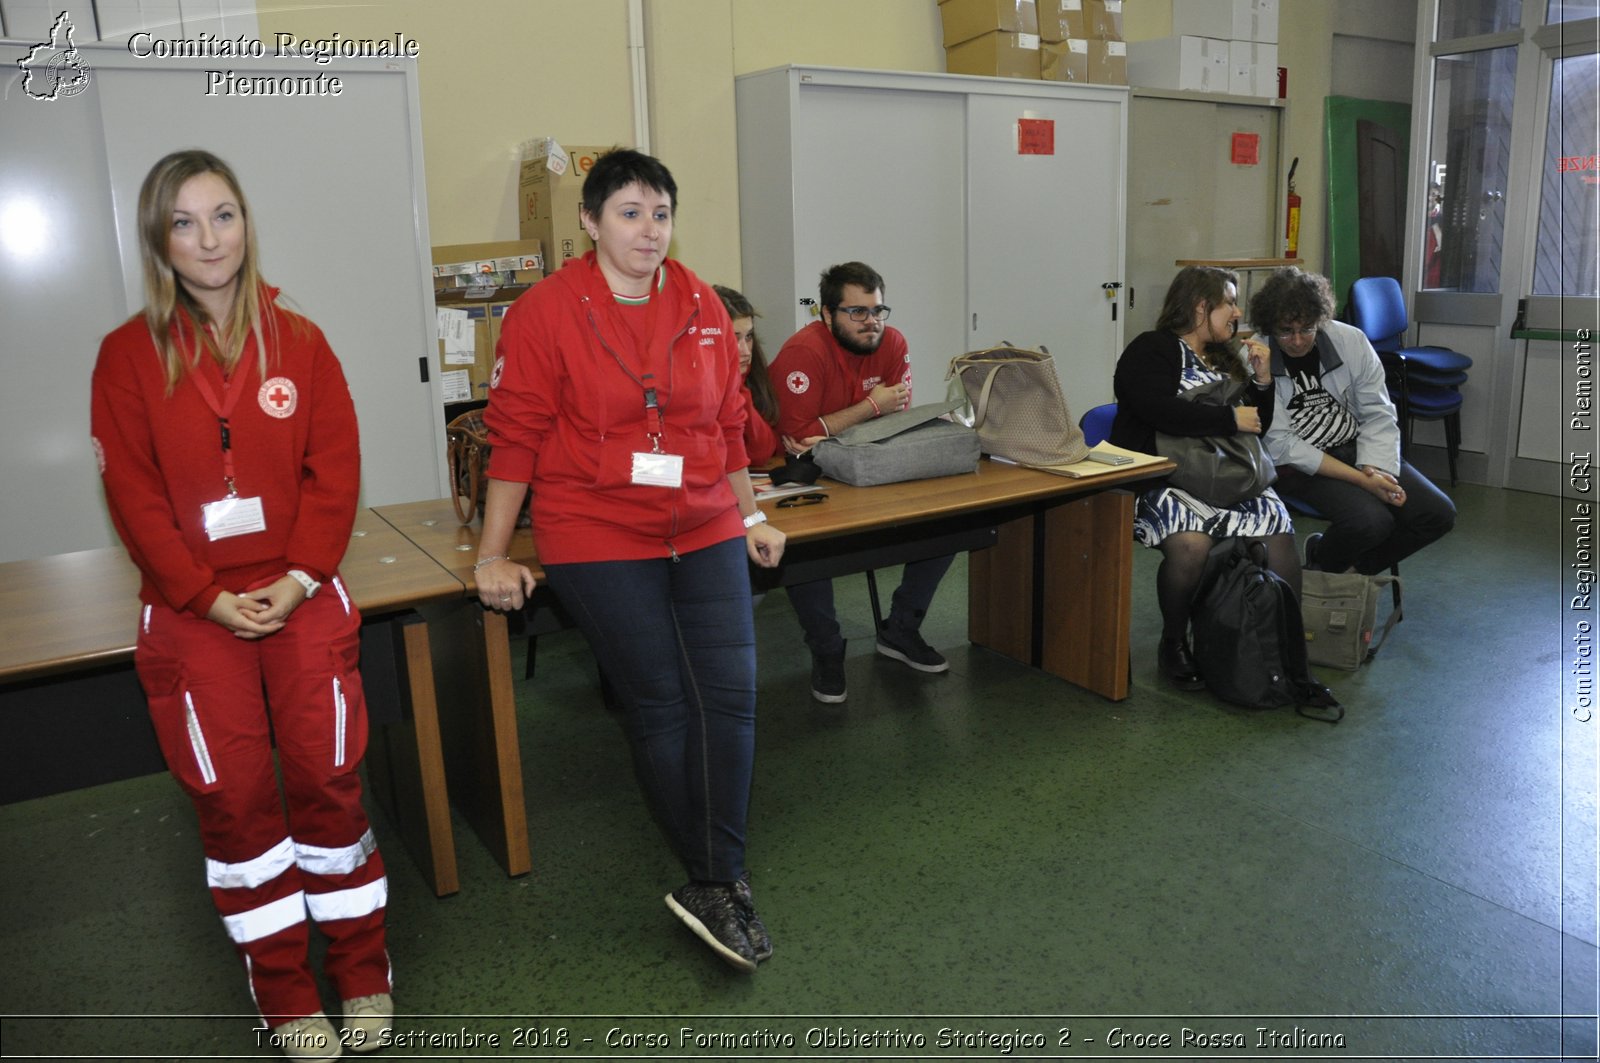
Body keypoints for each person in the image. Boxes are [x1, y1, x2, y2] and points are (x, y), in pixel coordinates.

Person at [90, 150, 392, 1061]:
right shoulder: (126, 355)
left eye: (224, 215)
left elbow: (333, 472)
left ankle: (363, 972)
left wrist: (299, 578)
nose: (209, 238)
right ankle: (286, 991)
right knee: (236, 805)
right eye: (184, 222)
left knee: (329, 783)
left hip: (301, 593)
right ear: (159, 238)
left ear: (246, 224)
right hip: (194, 613)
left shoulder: (297, 338)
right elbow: (136, 500)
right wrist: (207, 598)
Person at [474, 149, 786, 973]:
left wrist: (750, 512)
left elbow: (726, 426)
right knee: (662, 706)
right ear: (589, 221)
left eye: (661, 214)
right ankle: (718, 876)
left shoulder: (703, 307)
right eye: (629, 213)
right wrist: (492, 553)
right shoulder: (545, 312)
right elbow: (516, 439)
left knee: (731, 699)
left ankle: (716, 875)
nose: (649, 231)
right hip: (597, 530)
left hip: (705, 521)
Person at [1109, 266, 1314, 694]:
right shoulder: (1151, 349)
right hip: (1163, 478)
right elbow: (1156, 411)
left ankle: (1283, 645)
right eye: (1230, 302)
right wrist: (1227, 417)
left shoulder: (1224, 355)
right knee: (1191, 544)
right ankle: (1172, 643)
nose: (1238, 312)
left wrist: (1261, 380)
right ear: (1201, 306)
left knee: (1277, 528)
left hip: (1227, 476)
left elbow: (1255, 425)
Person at [768, 261, 956, 704]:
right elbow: (796, 438)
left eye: (877, 309)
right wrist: (871, 407)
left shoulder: (893, 342)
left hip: (873, 464)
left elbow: (897, 414)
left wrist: (835, 424)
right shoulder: (803, 353)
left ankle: (900, 630)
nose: (871, 321)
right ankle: (828, 649)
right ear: (827, 314)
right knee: (806, 546)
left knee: (947, 524)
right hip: (810, 472)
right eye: (856, 312)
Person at [1253, 267, 1456, 575]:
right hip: (1299, 465)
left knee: (1437, 513)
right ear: (1270, 326)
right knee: (1371, 522)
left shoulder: (1350, 341)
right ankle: (1328, 567)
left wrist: (1377, 470)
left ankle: (1342, 570)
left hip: (1355, 447)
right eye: (1285, 331)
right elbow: (1281, 444)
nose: (1296, 341)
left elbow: (1377, 411)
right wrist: (1363, 482)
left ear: (1321, 320)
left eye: (1306, 329)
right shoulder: (1258, 357)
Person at [714, 285, 782, 465]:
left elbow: (763, 450)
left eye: (748, 336)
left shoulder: (750, 378)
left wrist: (737, 387)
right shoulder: (694, 388)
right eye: (733, 337)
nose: (745, 350)